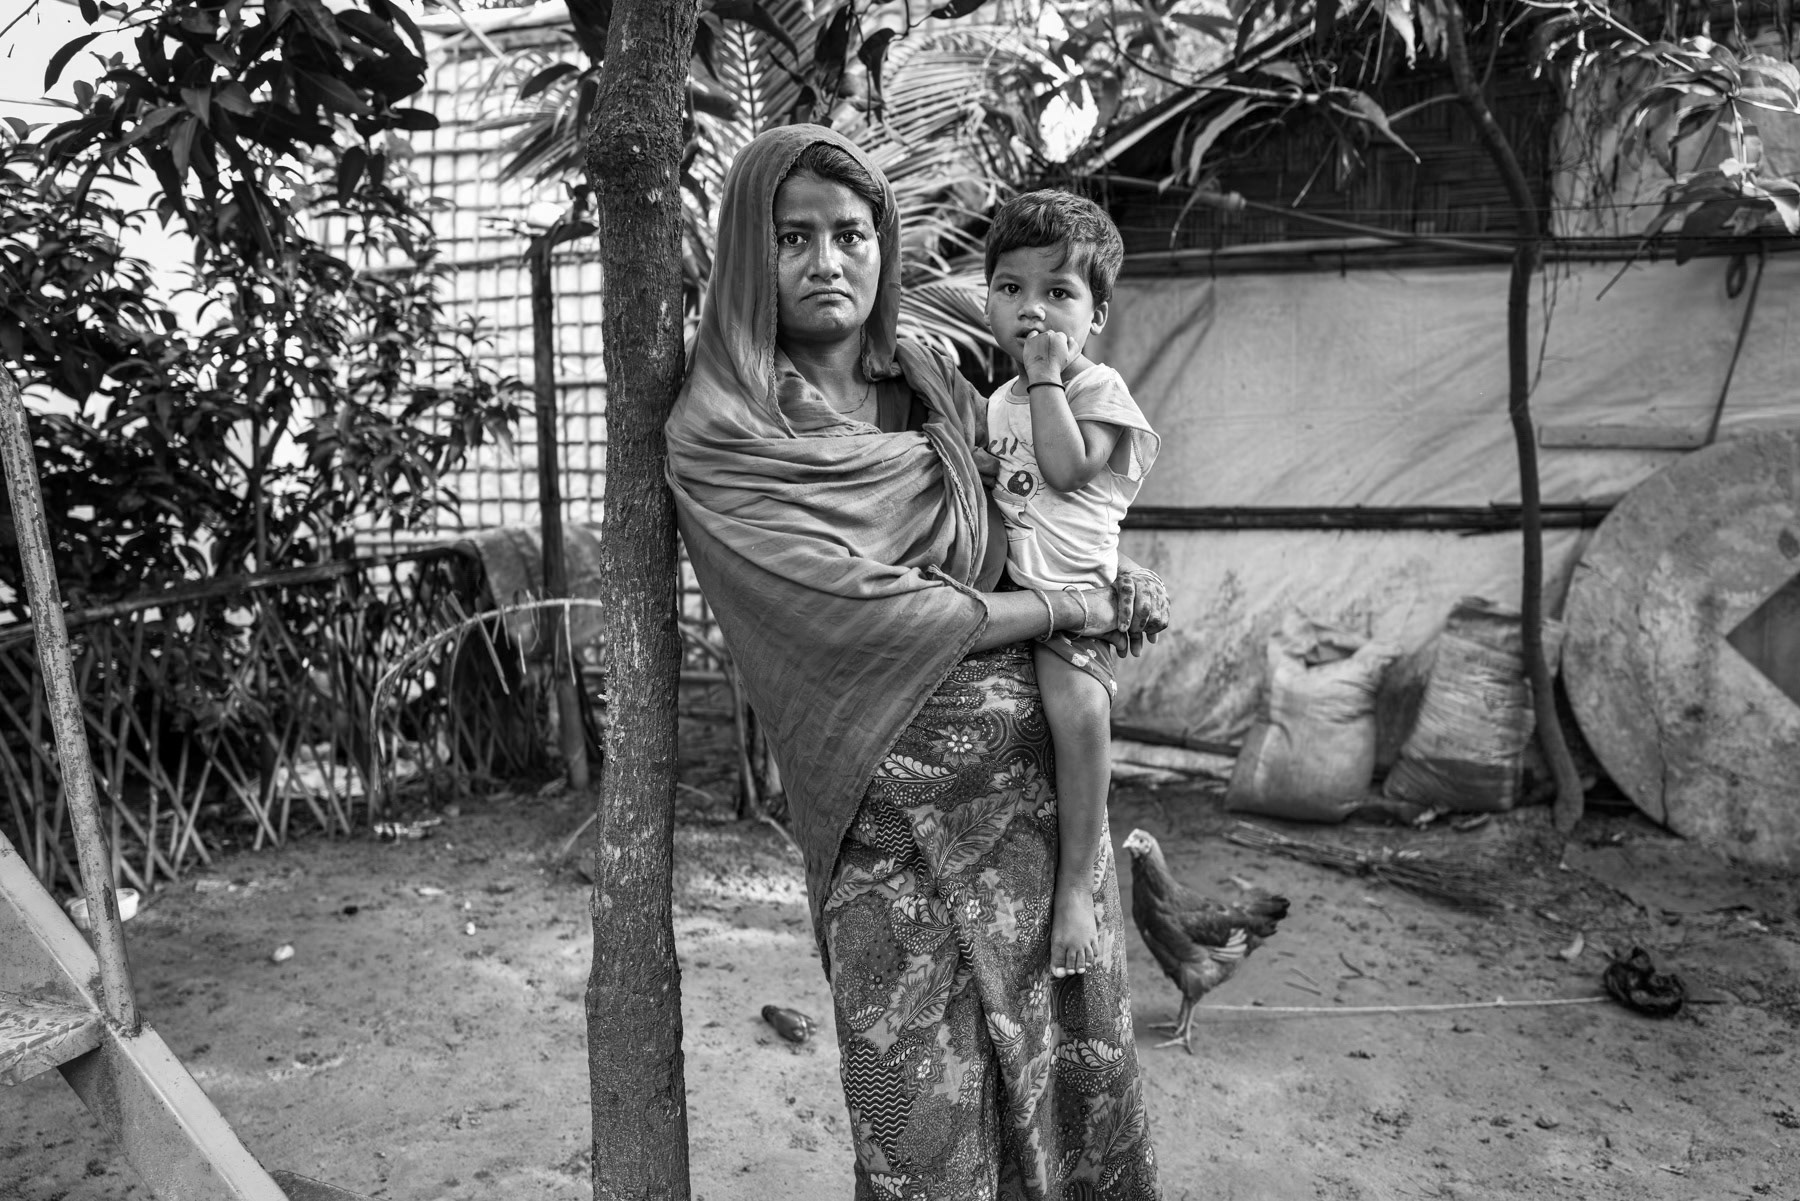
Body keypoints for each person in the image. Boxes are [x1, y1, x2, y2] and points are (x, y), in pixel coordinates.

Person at [665, 124, 1167, 1199]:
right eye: (791, 237)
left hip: (1041, 829)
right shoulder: (725, 428)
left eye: (852, 232)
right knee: (917, 1135)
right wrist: (1059, 607)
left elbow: (1041, 509)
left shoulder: (935, 385)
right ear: (750, 256)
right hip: (884, 851)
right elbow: (862, 613)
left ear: (885, 245)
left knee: (1068, 1091)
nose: (827, 261)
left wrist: (1097, 587)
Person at [979, 191, 1159, 981]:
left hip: (1074, 604)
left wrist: (1047, 378)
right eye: (1011, 289)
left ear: (1098, 314)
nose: (1033, 312)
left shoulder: (1098, 390)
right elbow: (1014, 483)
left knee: (1077, 712)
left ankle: (1079, 887)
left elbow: (1065, 466)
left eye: (1059, 293)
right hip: (1019, 585)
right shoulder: (998, 400)